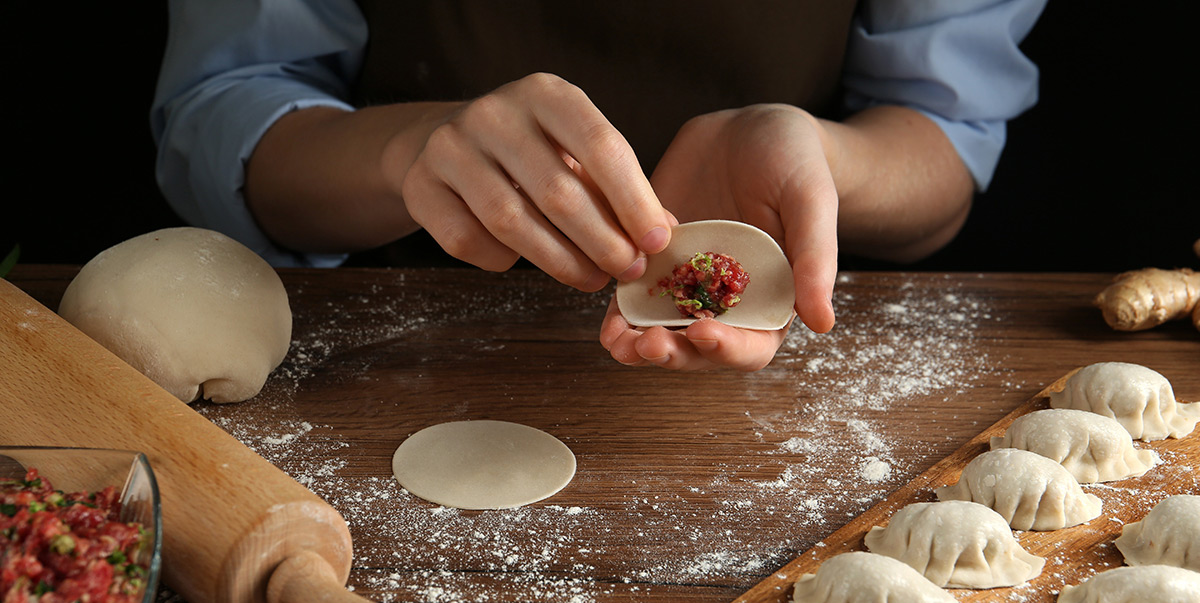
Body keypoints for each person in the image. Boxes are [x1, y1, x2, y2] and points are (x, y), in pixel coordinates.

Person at [152, 0, 1046, 371]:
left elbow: (944, 132)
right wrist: (409, 149)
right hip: (389, 337)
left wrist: (818, 157)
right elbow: (226, 105)